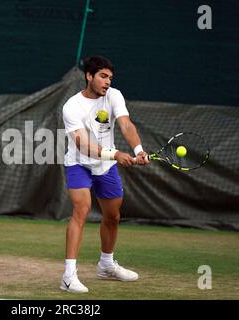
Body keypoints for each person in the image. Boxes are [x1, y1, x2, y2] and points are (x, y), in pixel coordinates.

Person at [60, 56, 150, 293]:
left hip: (106, 167)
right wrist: (116, 153)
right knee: (81, 209)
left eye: (110, 77)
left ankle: (106, 265)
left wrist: (138, 150)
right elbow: (82, 144)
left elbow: (126, 125)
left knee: (113, 216)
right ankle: (68, 276)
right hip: (79, 164)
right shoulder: (71, 106)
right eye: (103, 76)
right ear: (89, 76)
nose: (107, 82)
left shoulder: (114, 96)